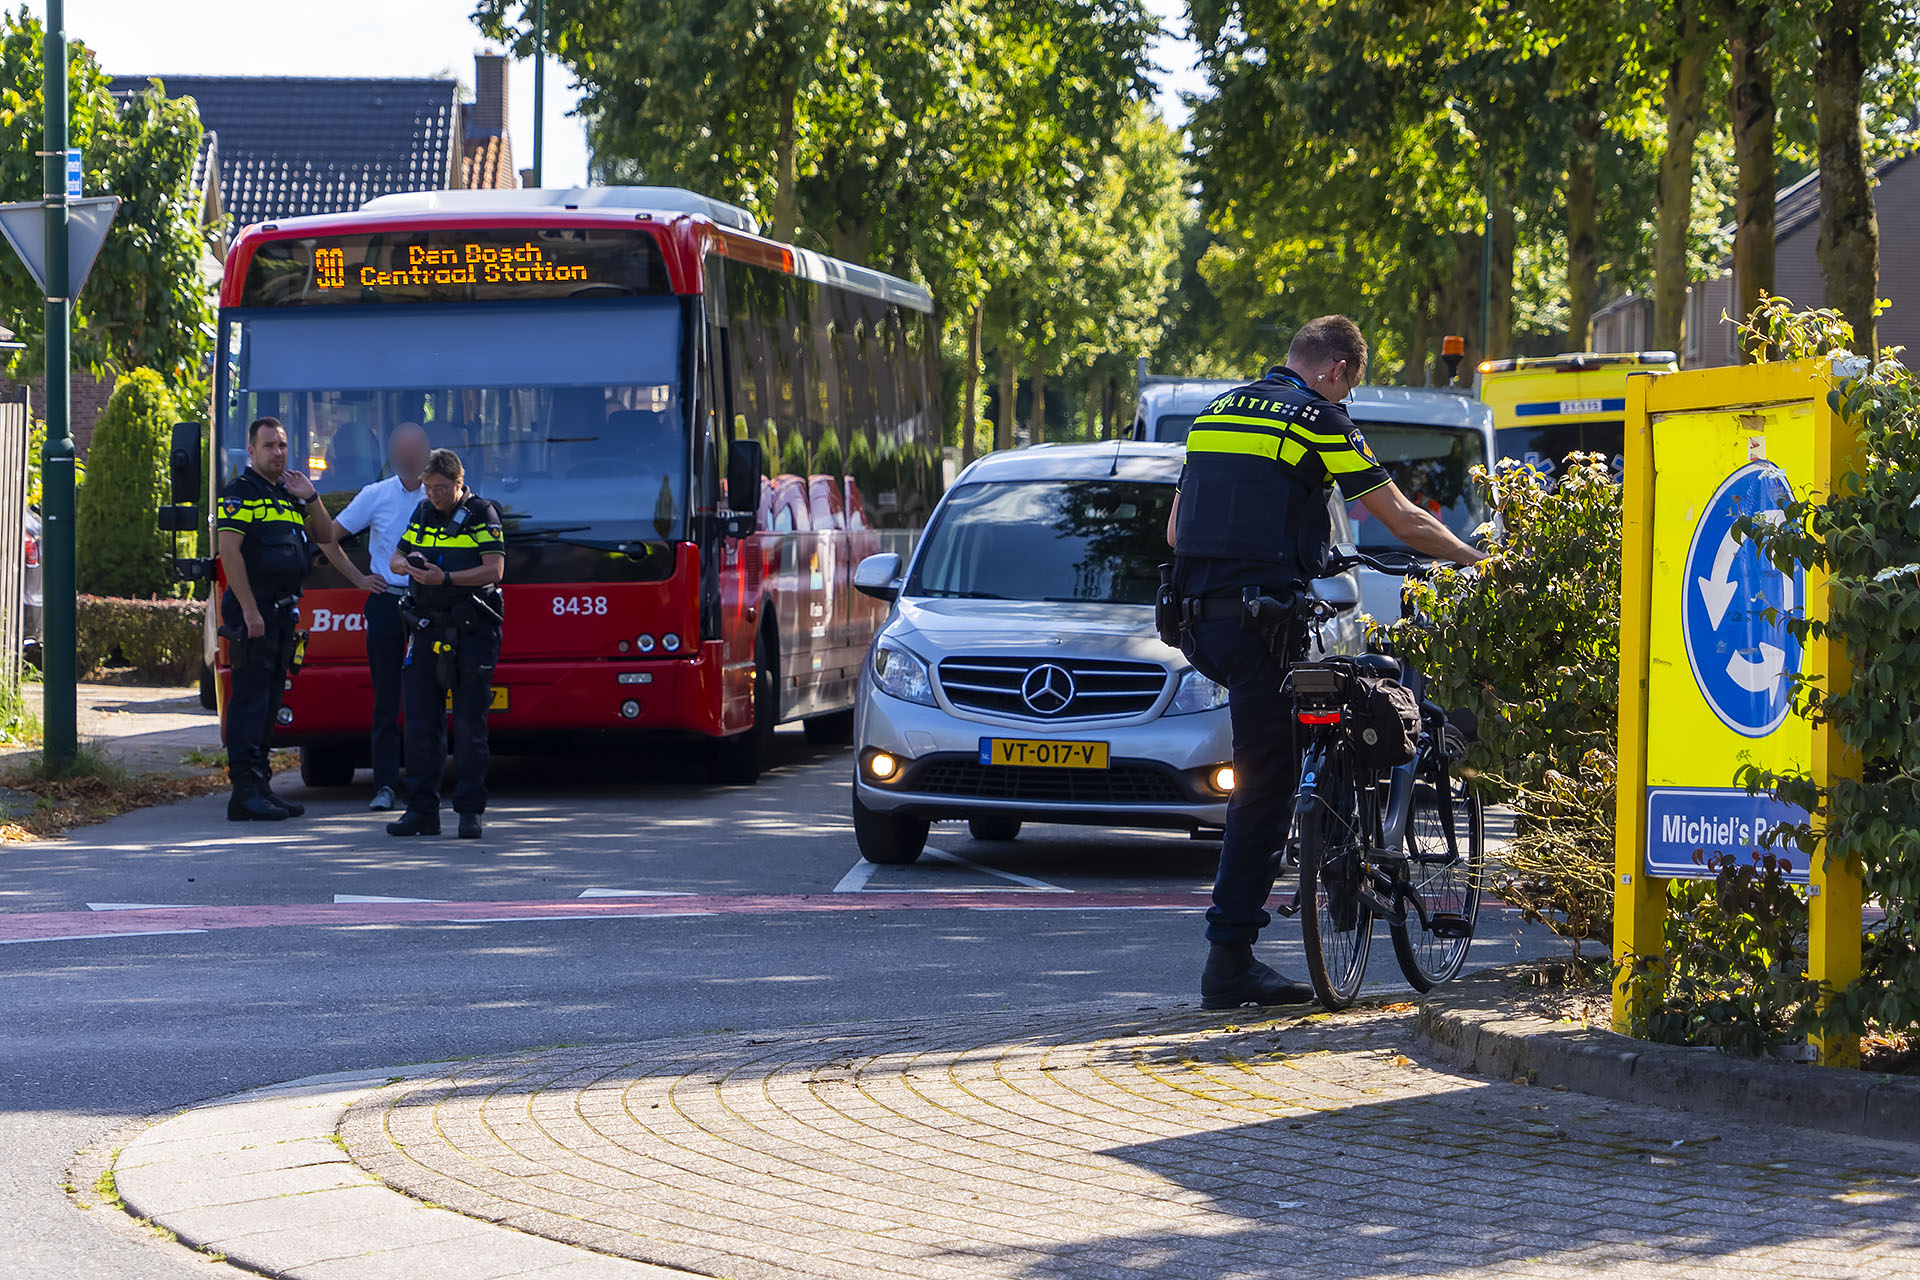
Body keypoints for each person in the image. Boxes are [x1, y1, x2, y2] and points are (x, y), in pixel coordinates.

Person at [1165, 315, 1483, 1009]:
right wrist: (1475, 558)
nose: (1347, 397)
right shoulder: (1319, 419)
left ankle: (1332, 832)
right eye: (1352, 386)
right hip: (1258, 624)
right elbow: (1397, 516)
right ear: (1337, 370)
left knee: (1300, 729)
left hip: (1196, 621)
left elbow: (1174, 527)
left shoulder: (1214, 414)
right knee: (1265, 786)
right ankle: (1230, 959)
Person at [217, 416, 339, 821]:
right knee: (250, 702)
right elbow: (230, 554)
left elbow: (325, 536)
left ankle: (261, 788)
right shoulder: (240, 492)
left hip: (283, 612)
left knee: (270, 703)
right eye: (269, 446)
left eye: (283, 445)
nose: (278, 452)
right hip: (257, 611)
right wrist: (250, 611)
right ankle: (244, 793)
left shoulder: (288, 494)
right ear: (251, 451)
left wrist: (312, 497)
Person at [386, 449, 506, 840]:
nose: (433, 494)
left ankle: (470, 812)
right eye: (428, 487)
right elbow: (394, 559)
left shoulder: (481, 513)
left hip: (471, 630)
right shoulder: (422, 512)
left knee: (471, 726)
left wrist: (447, 580)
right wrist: (410, 566)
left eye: (440, 488)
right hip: (426, 629)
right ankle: (422, 811)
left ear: (459, 483)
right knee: (420, 726)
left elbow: (494, 569)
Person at [317, 423, 431, 811]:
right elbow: (327, 536)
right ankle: (384, 786)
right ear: (392, 455)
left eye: (417, 450)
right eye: (403, 450)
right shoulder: (376, 495)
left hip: (430, 604)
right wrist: (360, 579)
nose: (410, 457)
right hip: (387, 604)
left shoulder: (446, 495)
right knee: (386, 698)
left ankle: (424, 785)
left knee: (428, 698)